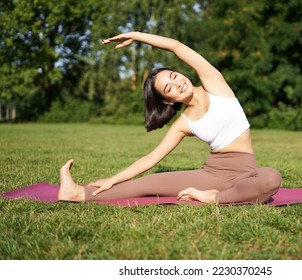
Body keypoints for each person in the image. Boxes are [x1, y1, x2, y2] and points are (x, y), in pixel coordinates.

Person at [58, 32, 282, 204]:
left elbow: (176, 46)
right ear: (168, 100)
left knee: (271, 178)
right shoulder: (184, 123)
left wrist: (136, 35)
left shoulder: (215, 83)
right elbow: (150, 159)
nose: (178, 83)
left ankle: (213, 198)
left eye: (174, 76)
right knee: (147, 184)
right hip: (214, 174)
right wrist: (113, 179)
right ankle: (77, 193)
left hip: (247, 172)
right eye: (169, 88)